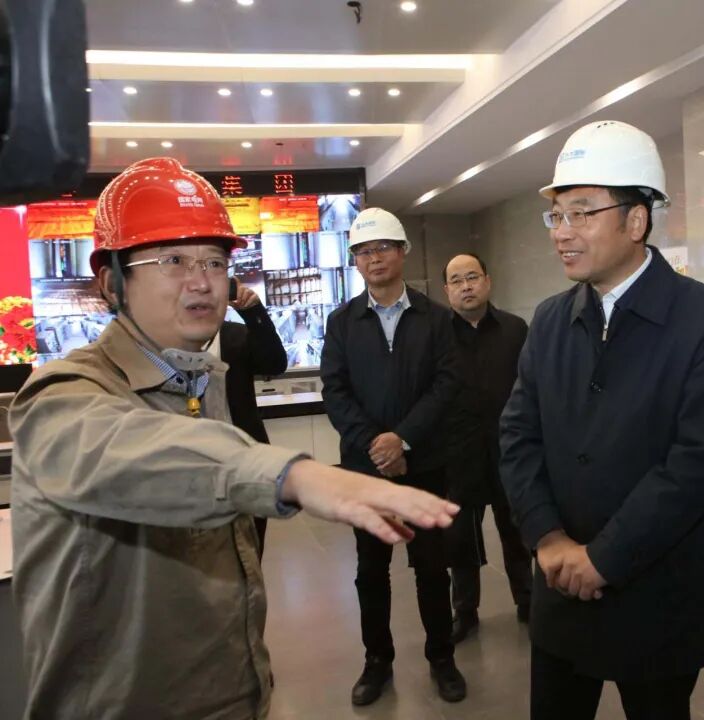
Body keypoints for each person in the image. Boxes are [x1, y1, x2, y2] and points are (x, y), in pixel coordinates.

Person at [8, 158, 458, 720]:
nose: (201, 281)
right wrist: (296, 474)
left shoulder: (205, 381)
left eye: (215, 262)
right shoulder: (63, 394)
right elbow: (124, 449)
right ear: (111, 283)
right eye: (172, 260)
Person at [500, 120, 704, 720]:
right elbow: (517, 435)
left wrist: (604, 559)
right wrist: (548, 537)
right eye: (556, 215)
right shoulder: (550, 320)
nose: (562, 232)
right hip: (560, 588)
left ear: (636, 221)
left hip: (655, 594)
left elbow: (698, 464)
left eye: (582, 213)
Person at [320, 207, 467, 706]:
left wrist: (402, 439)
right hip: (365, 471)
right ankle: (376, 661)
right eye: (363, 251)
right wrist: (378, 447)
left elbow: (447, 384)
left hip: (425, 464)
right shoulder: (342, 322)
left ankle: (442, 658)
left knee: (431, 567)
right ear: (355, 261)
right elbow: (335, 391)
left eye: (382, 247)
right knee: (370, 570)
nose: (373, 258)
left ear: (402, 251)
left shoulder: (436, 319)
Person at [441, 253, 532, 643]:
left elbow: (531, 388)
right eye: (457, 280)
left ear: (487, 281)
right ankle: (464, 610)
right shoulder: (437, 337)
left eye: (472, 277)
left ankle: (528, 600)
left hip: (509, 450)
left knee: (517, 531)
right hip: (458, 454)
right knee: (461, 538)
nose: (466, 286)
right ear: (447, 290)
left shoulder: (515, 330)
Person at [214, 281, 289, 559]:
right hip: (194, 468)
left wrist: (254, 312)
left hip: (246, 462)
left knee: (251, 553)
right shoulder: (165, 343)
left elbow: (275, 363)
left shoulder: (235, 335)